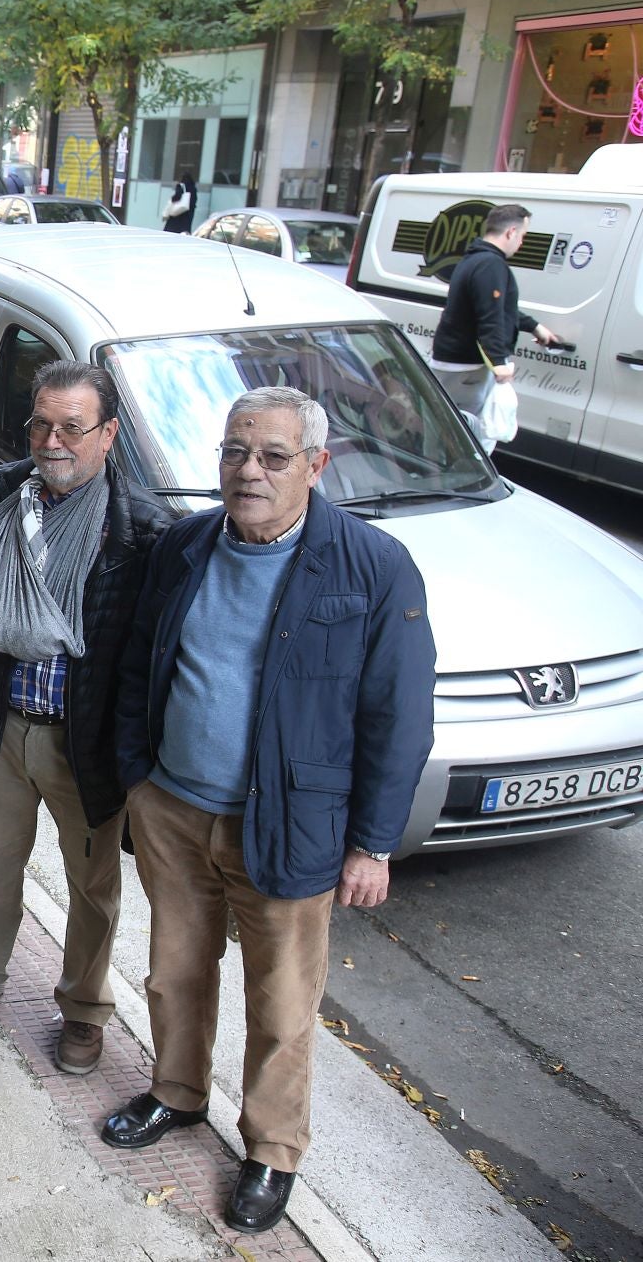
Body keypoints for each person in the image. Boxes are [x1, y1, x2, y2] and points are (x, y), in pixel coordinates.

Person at [102, 387, 436, 1235]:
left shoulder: (371, 565)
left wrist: (372, 843)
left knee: (282, 1005)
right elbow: (143, 661)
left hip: (290, 827)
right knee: (174, 974)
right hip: (176, 807)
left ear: (315, 467)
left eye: (273, 457)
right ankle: (176, 1096)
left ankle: (270, 1152)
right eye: (234, 453)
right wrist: (139, 776)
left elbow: (399, 714)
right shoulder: (184, 547)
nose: (248, 471)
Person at [0, 363, 170, 1078]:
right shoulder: (5, 495)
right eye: (40, 423)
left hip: (83, 741)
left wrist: (134, 758)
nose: (51, 439)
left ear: (109, 434)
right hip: (3, 723)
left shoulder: (140, 530)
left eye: (71, 426)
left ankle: (84, 1010)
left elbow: (146, 660)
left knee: (93, 886)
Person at [428, 203, 561, 432]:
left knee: (448, 426)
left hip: (456, 360)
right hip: (466, 365)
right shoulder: (490, 264)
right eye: (522, 236)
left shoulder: (475, 259)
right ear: (510, 232)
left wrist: (534, 327)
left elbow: (497, 308)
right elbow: (490, 317)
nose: (521, 243)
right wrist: (499, 363)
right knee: (460, 433)